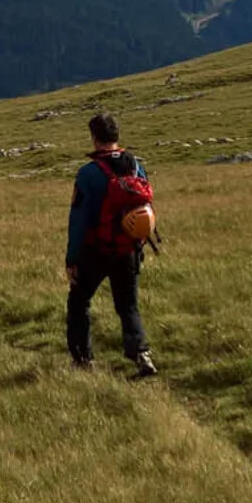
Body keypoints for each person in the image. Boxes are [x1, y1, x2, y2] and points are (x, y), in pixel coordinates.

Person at [65, 112, 157, 377]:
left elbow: (78, 220)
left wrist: (72, 258)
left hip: (97, 250)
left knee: (79, 301)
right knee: (128, 305)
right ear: (117, 136)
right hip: (129, 248)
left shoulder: (88, 174)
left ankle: (83, 360)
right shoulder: (136, 166)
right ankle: (142, 354)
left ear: (95, 139)